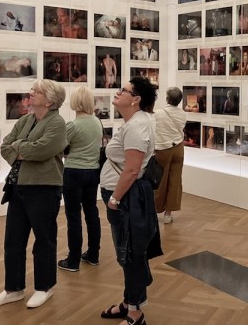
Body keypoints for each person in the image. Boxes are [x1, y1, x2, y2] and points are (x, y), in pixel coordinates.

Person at [0, 80, 67, 309]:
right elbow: (5, 146)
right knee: (13, 240)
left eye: (36, 91)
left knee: (44, 240)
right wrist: (24, 147)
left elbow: (42, 150)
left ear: (49, 100)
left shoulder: (57, 123)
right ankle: (13, 289)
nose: (31, 93)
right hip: (18, 185)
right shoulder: (25, 120)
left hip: (44, 188)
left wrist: (21, 147)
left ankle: (44, 287)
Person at [99, 77, 160, 325]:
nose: (118, 92)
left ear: (135, 99)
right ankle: (128, 302)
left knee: (131, 255)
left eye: (123, 90)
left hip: (126, 199)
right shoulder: (134, 122)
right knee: (128, 253)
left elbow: (132, 170)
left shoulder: (136, 126)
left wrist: (114, 199)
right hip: (124, 197)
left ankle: (135, 313)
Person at [58, 86, 103, 272]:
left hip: (74, 172)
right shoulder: (97, 122)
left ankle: (73, 260)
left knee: (74, 216)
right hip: (93, 172)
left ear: (76, 103)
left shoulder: (73, 126)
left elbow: (60, 148)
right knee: (92, 213)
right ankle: (93, 254)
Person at [153, 87, 186, 224]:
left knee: (159, 182)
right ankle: (168, 214)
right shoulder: (183, 114)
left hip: (162, 149)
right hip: (178, 148)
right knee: (175, 181)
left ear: (167, 98)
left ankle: (154, 211)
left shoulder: (158, 113)